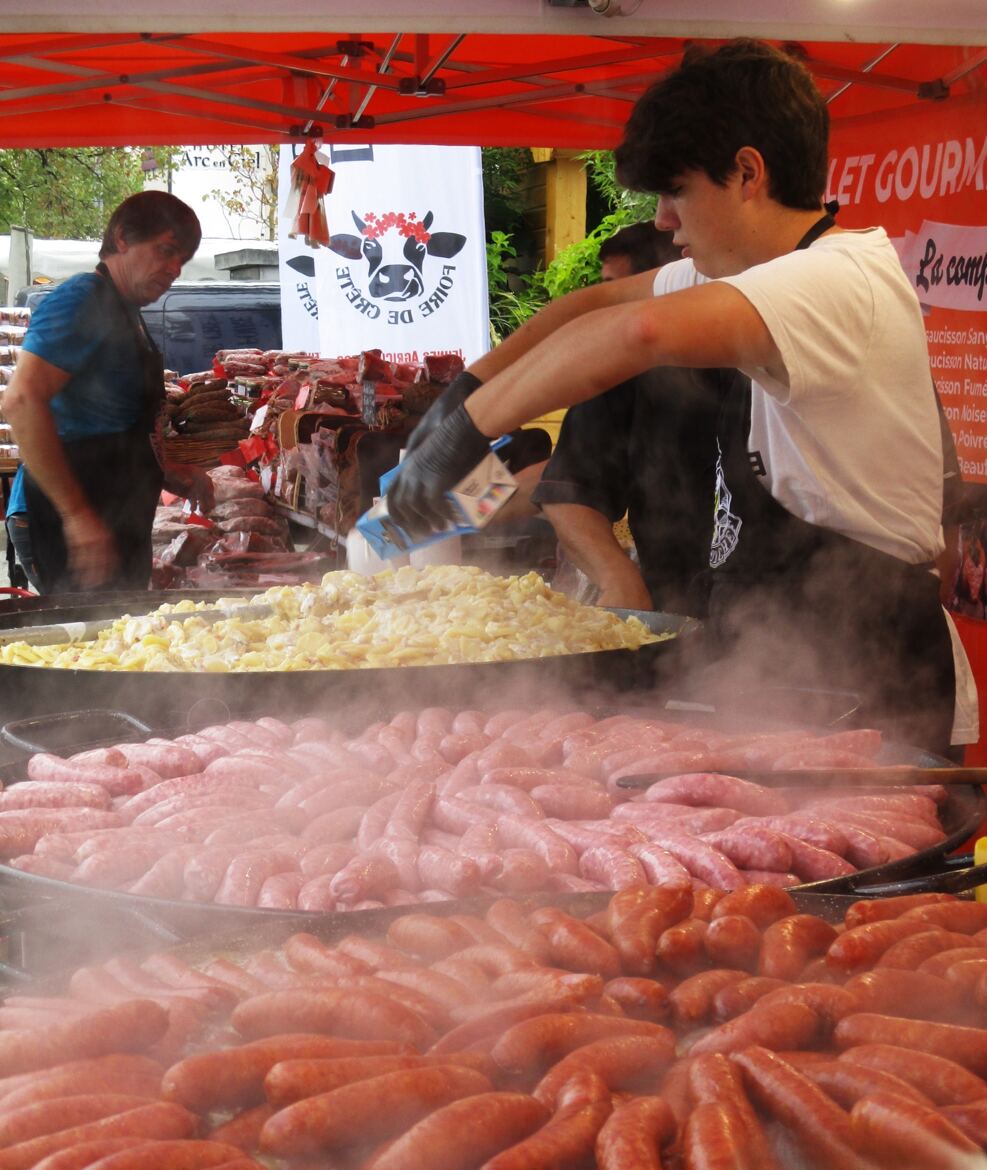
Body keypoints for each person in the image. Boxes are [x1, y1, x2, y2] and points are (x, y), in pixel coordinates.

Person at [385, 38, 977, 755]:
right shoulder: (752, 274)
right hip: (767, 657)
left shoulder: (836, 277)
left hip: (863, 661)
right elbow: (587, 311)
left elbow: (632, 331)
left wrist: (464, 437)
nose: (665, 220)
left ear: (747, 173)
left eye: (676, 191)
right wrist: (457, 405)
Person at [5, 191, 215, 594]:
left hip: (116, 512)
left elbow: (111, 418)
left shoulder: (127, 312)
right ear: (122, 238)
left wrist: (167, 473)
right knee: (88, 647)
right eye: (166, 251)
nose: (174, 269)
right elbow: (21, 400)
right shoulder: (81, 298)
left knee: (122, 636)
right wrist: (78, 516)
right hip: (71, 513)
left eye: (181, 261)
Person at [532, 222, 723, 614]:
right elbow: (559, 484)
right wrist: (460, 505)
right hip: (673, 611)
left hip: (784, 619)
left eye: (618, 290)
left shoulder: (764, 353)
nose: (608, 308)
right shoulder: (620, 376)